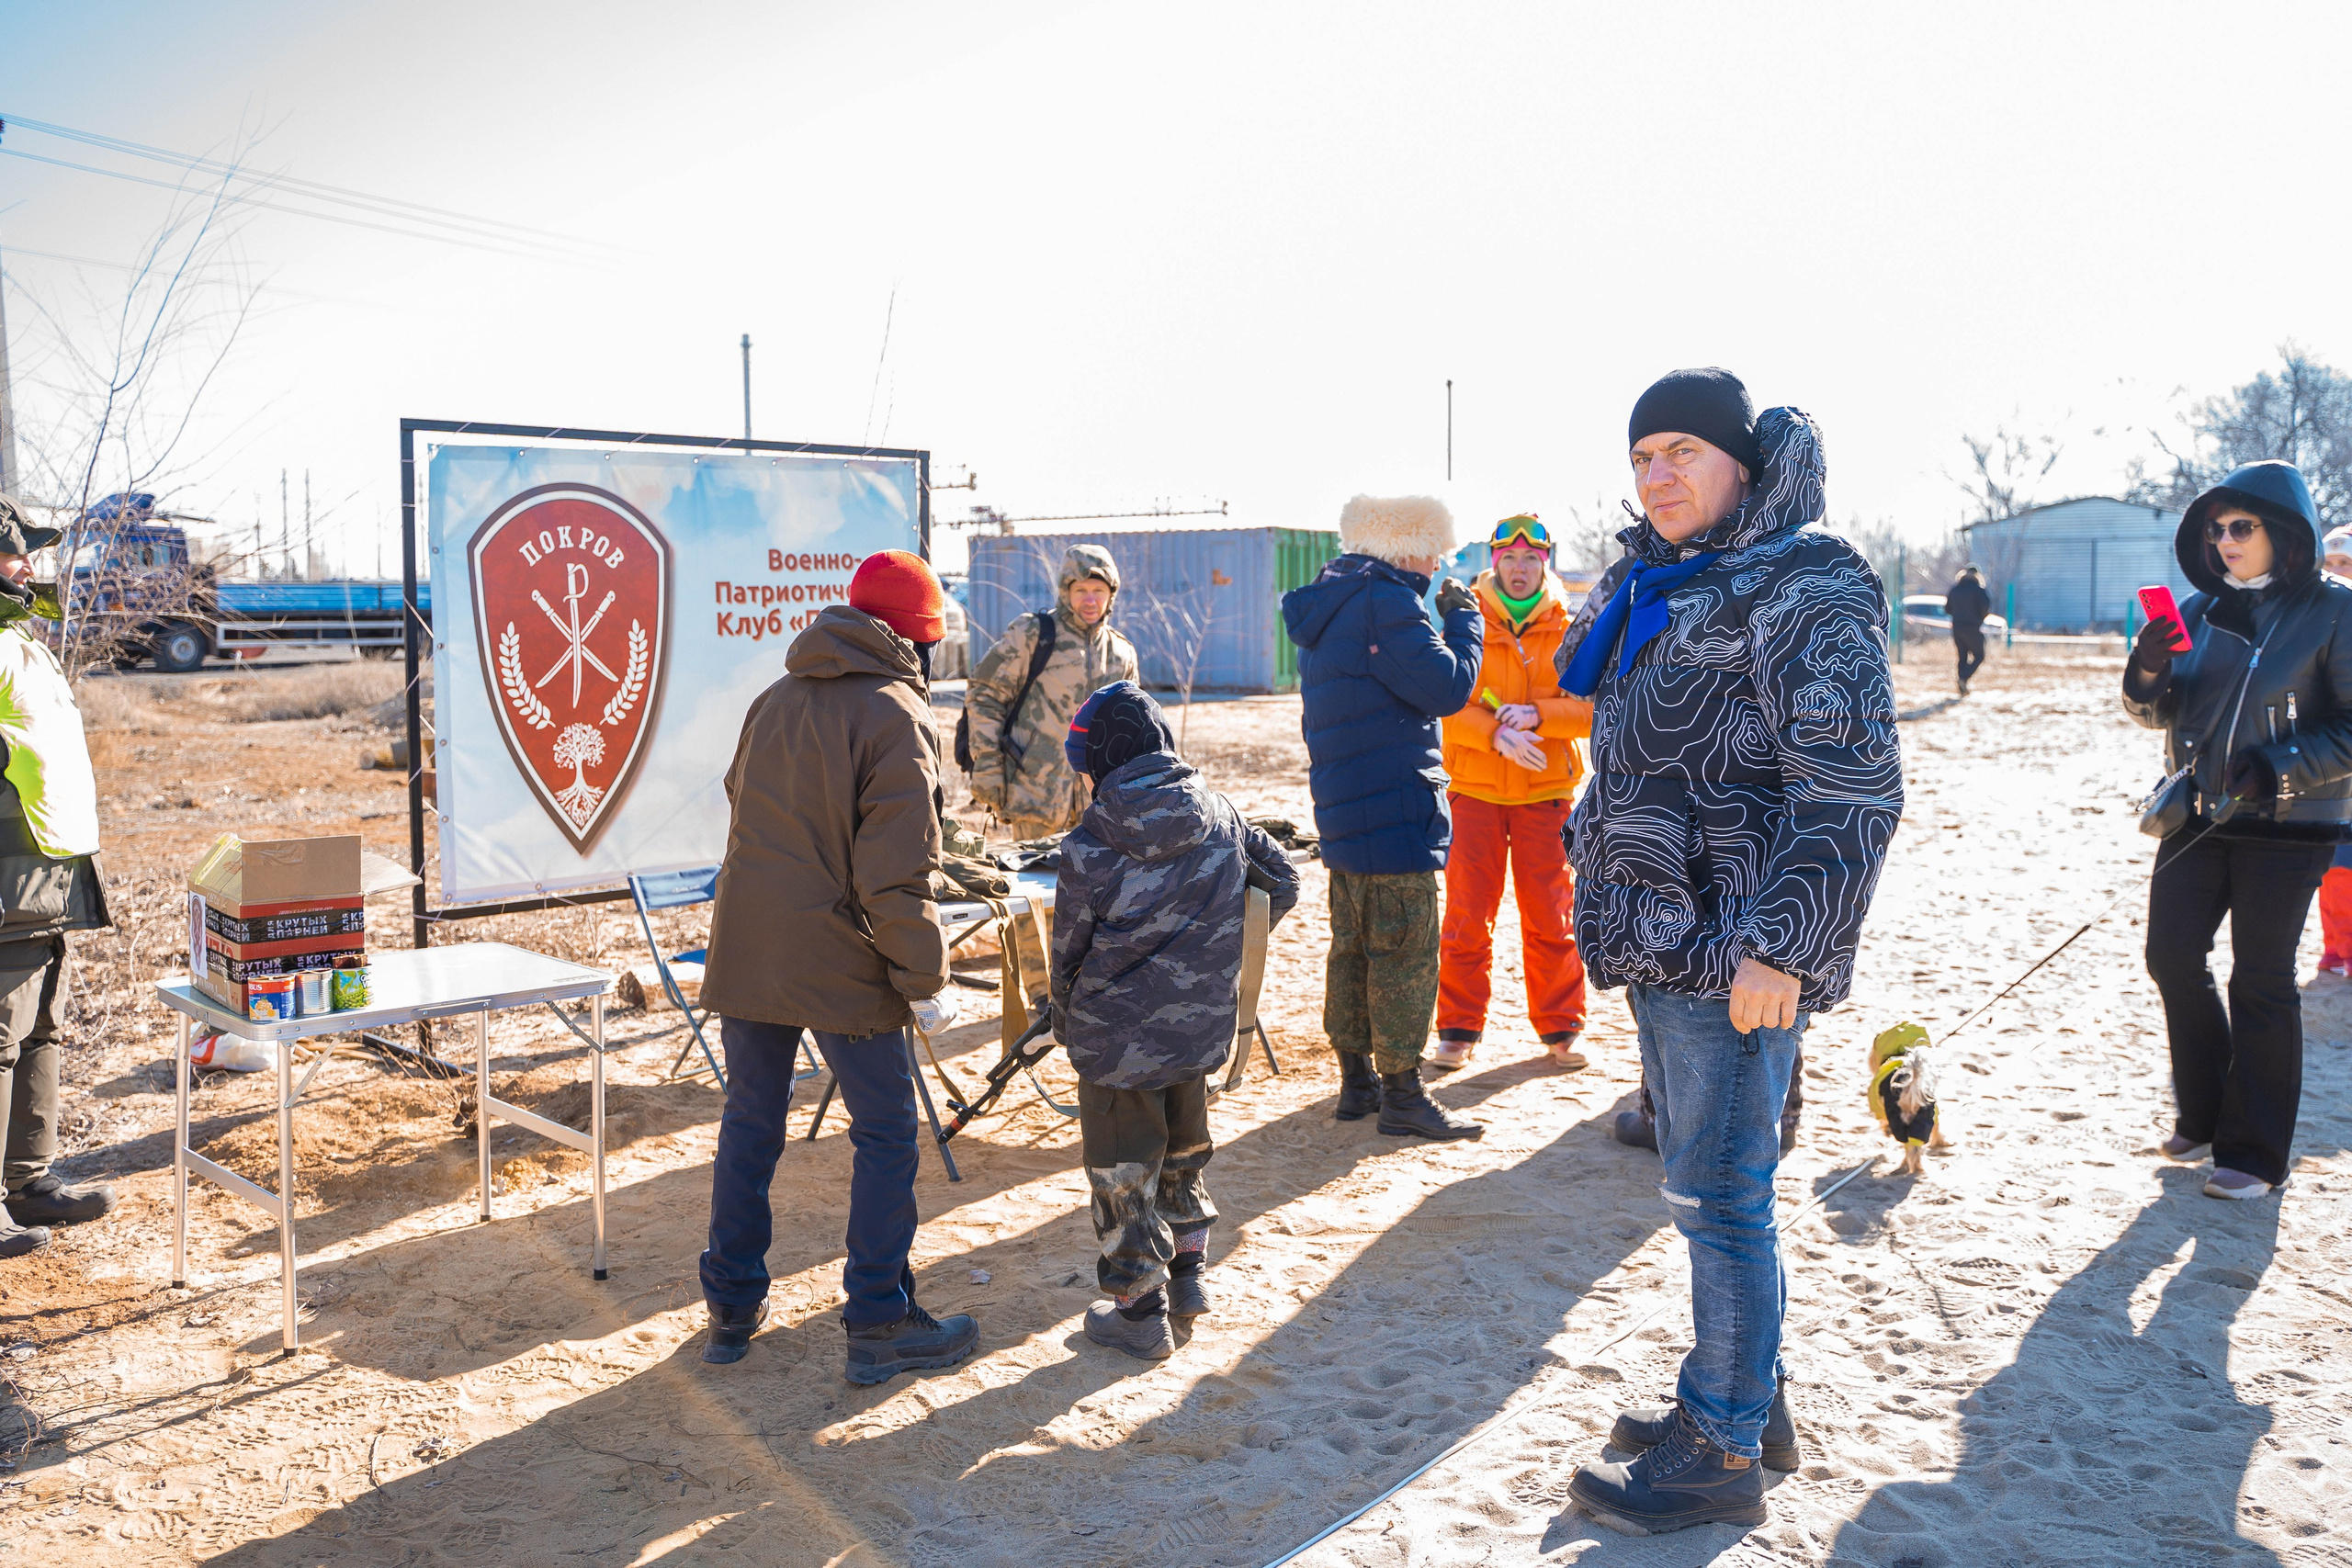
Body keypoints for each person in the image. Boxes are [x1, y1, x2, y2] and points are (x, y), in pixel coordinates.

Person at [1558, 370, 1901, 1534]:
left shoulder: (1801, 584)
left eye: (1682, 452)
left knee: (1720, 1197)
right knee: (1708, 1190)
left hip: (1735, 947)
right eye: (1642, 453)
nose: (1657, 473)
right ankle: (1756, 1400)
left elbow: (1851, 785)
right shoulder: (1676, 581)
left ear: (1742, 467)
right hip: (1660, 938)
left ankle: (1719, 1449)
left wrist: (1782, 950)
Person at [695, 549, 980, 1383]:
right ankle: (881, 1319)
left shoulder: (774, 697)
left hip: (749, 940)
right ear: (918, 636)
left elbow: (741, 800)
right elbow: (896, 874)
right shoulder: (895, 711)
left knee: (751, 1123)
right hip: (839, 950)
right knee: (888, 1133)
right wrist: (924, 982)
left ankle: (731, 1306)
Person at [1048, 682, 1299, 1360]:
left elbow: (1066, 954)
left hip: (1116, 1044)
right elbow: (1283, 884)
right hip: (1198, 1033)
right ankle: (1189, 1278)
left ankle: (1139, 1314)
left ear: (1102, 761)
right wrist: (1216, 949)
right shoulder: (1220, 813)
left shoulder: (1089, 843)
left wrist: (1066, 1024)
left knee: (1122, 1175)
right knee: (1185, 1155)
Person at [2124, 460, 2352, 1201]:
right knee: (2170, 955)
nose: (2224, 541)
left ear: (2283, 531)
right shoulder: (2195, 609)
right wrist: (2149, 670)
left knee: (2259, 978)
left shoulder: (2336, 611)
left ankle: (2253, 1153)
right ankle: (2205, 1110)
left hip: (2290, 824)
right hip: (2197, 814)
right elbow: (2159, 713)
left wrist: (2277, 767)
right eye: (2216, 528)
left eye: (2240, 526)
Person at [1283, 494, 1484, 1140]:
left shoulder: (1332, 599)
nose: (1436, 562)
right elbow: (1446, 688)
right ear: (1405, 547)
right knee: (1403, 952)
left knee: (1352, 949)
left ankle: (1357, 1082)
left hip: (1343, 810)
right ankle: (1402, 1093)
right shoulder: (1387, 601)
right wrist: (1464, 621)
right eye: (1433, 548)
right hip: (1397, 810)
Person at [1432, 514, 1592, 1073]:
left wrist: (1539, 716)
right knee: (1467, 913)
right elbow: (1445, 703)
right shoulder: (1463, 622)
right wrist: (1495, 733)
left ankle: (1561, 1028)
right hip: (1474, 789)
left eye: (1531, 558)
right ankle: (1457, 1029)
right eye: (1509, 558)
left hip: (1546, 793)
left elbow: (1594, 709)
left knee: (1551, 914)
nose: (1519, 568)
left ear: (1544, 562)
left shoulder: (1571, 625)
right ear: (1493, 561)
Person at [0, 495, 116, 1260]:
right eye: (14, 552)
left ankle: (30, 1179)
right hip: (7, 870)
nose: (29, 565)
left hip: (51, 865)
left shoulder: (24, 642)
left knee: (43, 1026)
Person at [965, 543, 1140, 842]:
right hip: (1036, 800)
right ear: (1064, 592)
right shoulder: (1033, 635)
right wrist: (988, 769)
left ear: (1111, 594)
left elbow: (1134, 730)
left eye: (1098, 591)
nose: (1090, 600)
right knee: (1039, 885)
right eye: (1080, 590)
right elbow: (985, 696)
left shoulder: (1122, 652)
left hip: (1101, 809)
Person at [2317, 529, 2352, 976]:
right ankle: (2335, 946)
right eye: (2329, 564)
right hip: (2330, 765)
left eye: (2343, 564)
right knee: (2333, 866)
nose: (2335, 571)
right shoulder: (2314, 621)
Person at [1946, 564, 1992, 694]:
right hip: (1972, 626)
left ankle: (1962, 682)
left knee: (1962, 656)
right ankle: (1964, 678)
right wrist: (1979, 619)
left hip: (1957, 627)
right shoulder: (1978, 589)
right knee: (1979, 655)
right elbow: (1985, 607)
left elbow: (1947, 609)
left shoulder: (1954, 589)